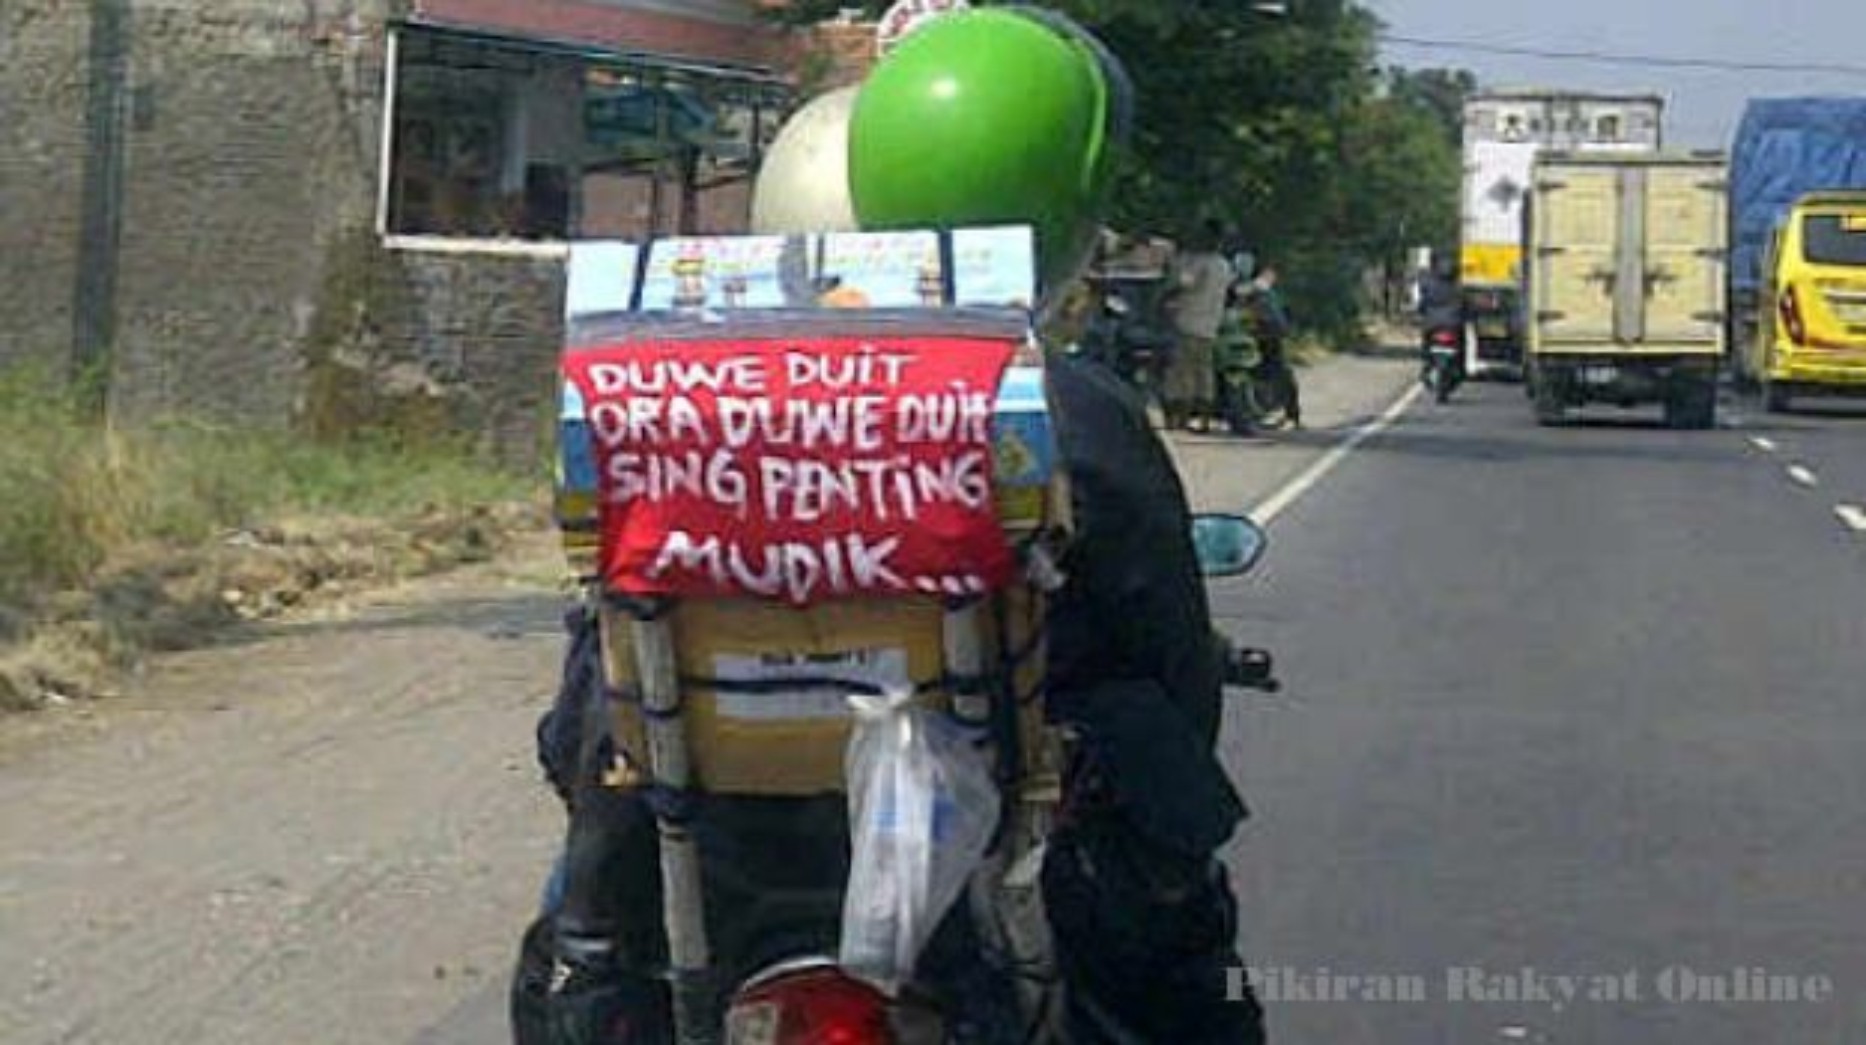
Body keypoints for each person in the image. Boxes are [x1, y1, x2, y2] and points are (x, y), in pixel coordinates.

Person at [522, 9, 1266, 1043]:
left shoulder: (665, 389)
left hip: (718, 876)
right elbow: (1178, 678)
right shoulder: (1073, 410)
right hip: (984, 892)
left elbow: (580, 706)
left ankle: (589, 966)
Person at [1162, 223, 1236, 432]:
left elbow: (1184, 284)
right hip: (1210, 325)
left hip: (1187, 322)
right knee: (1204, 373)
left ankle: (1180, 420)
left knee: (1180, 372)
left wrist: (1166, 294)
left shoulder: (1198, 263)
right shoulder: (1224, 266)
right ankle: (1204, 421)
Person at [1243, 264, 1301, 430]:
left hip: (1269, 337)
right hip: (1262, 336)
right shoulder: (1260, 291)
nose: (1270, 277)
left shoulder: (1266, 293)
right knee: (1271, 375)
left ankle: (1287, 413)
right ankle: (1273, 411)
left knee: (1278, 374)